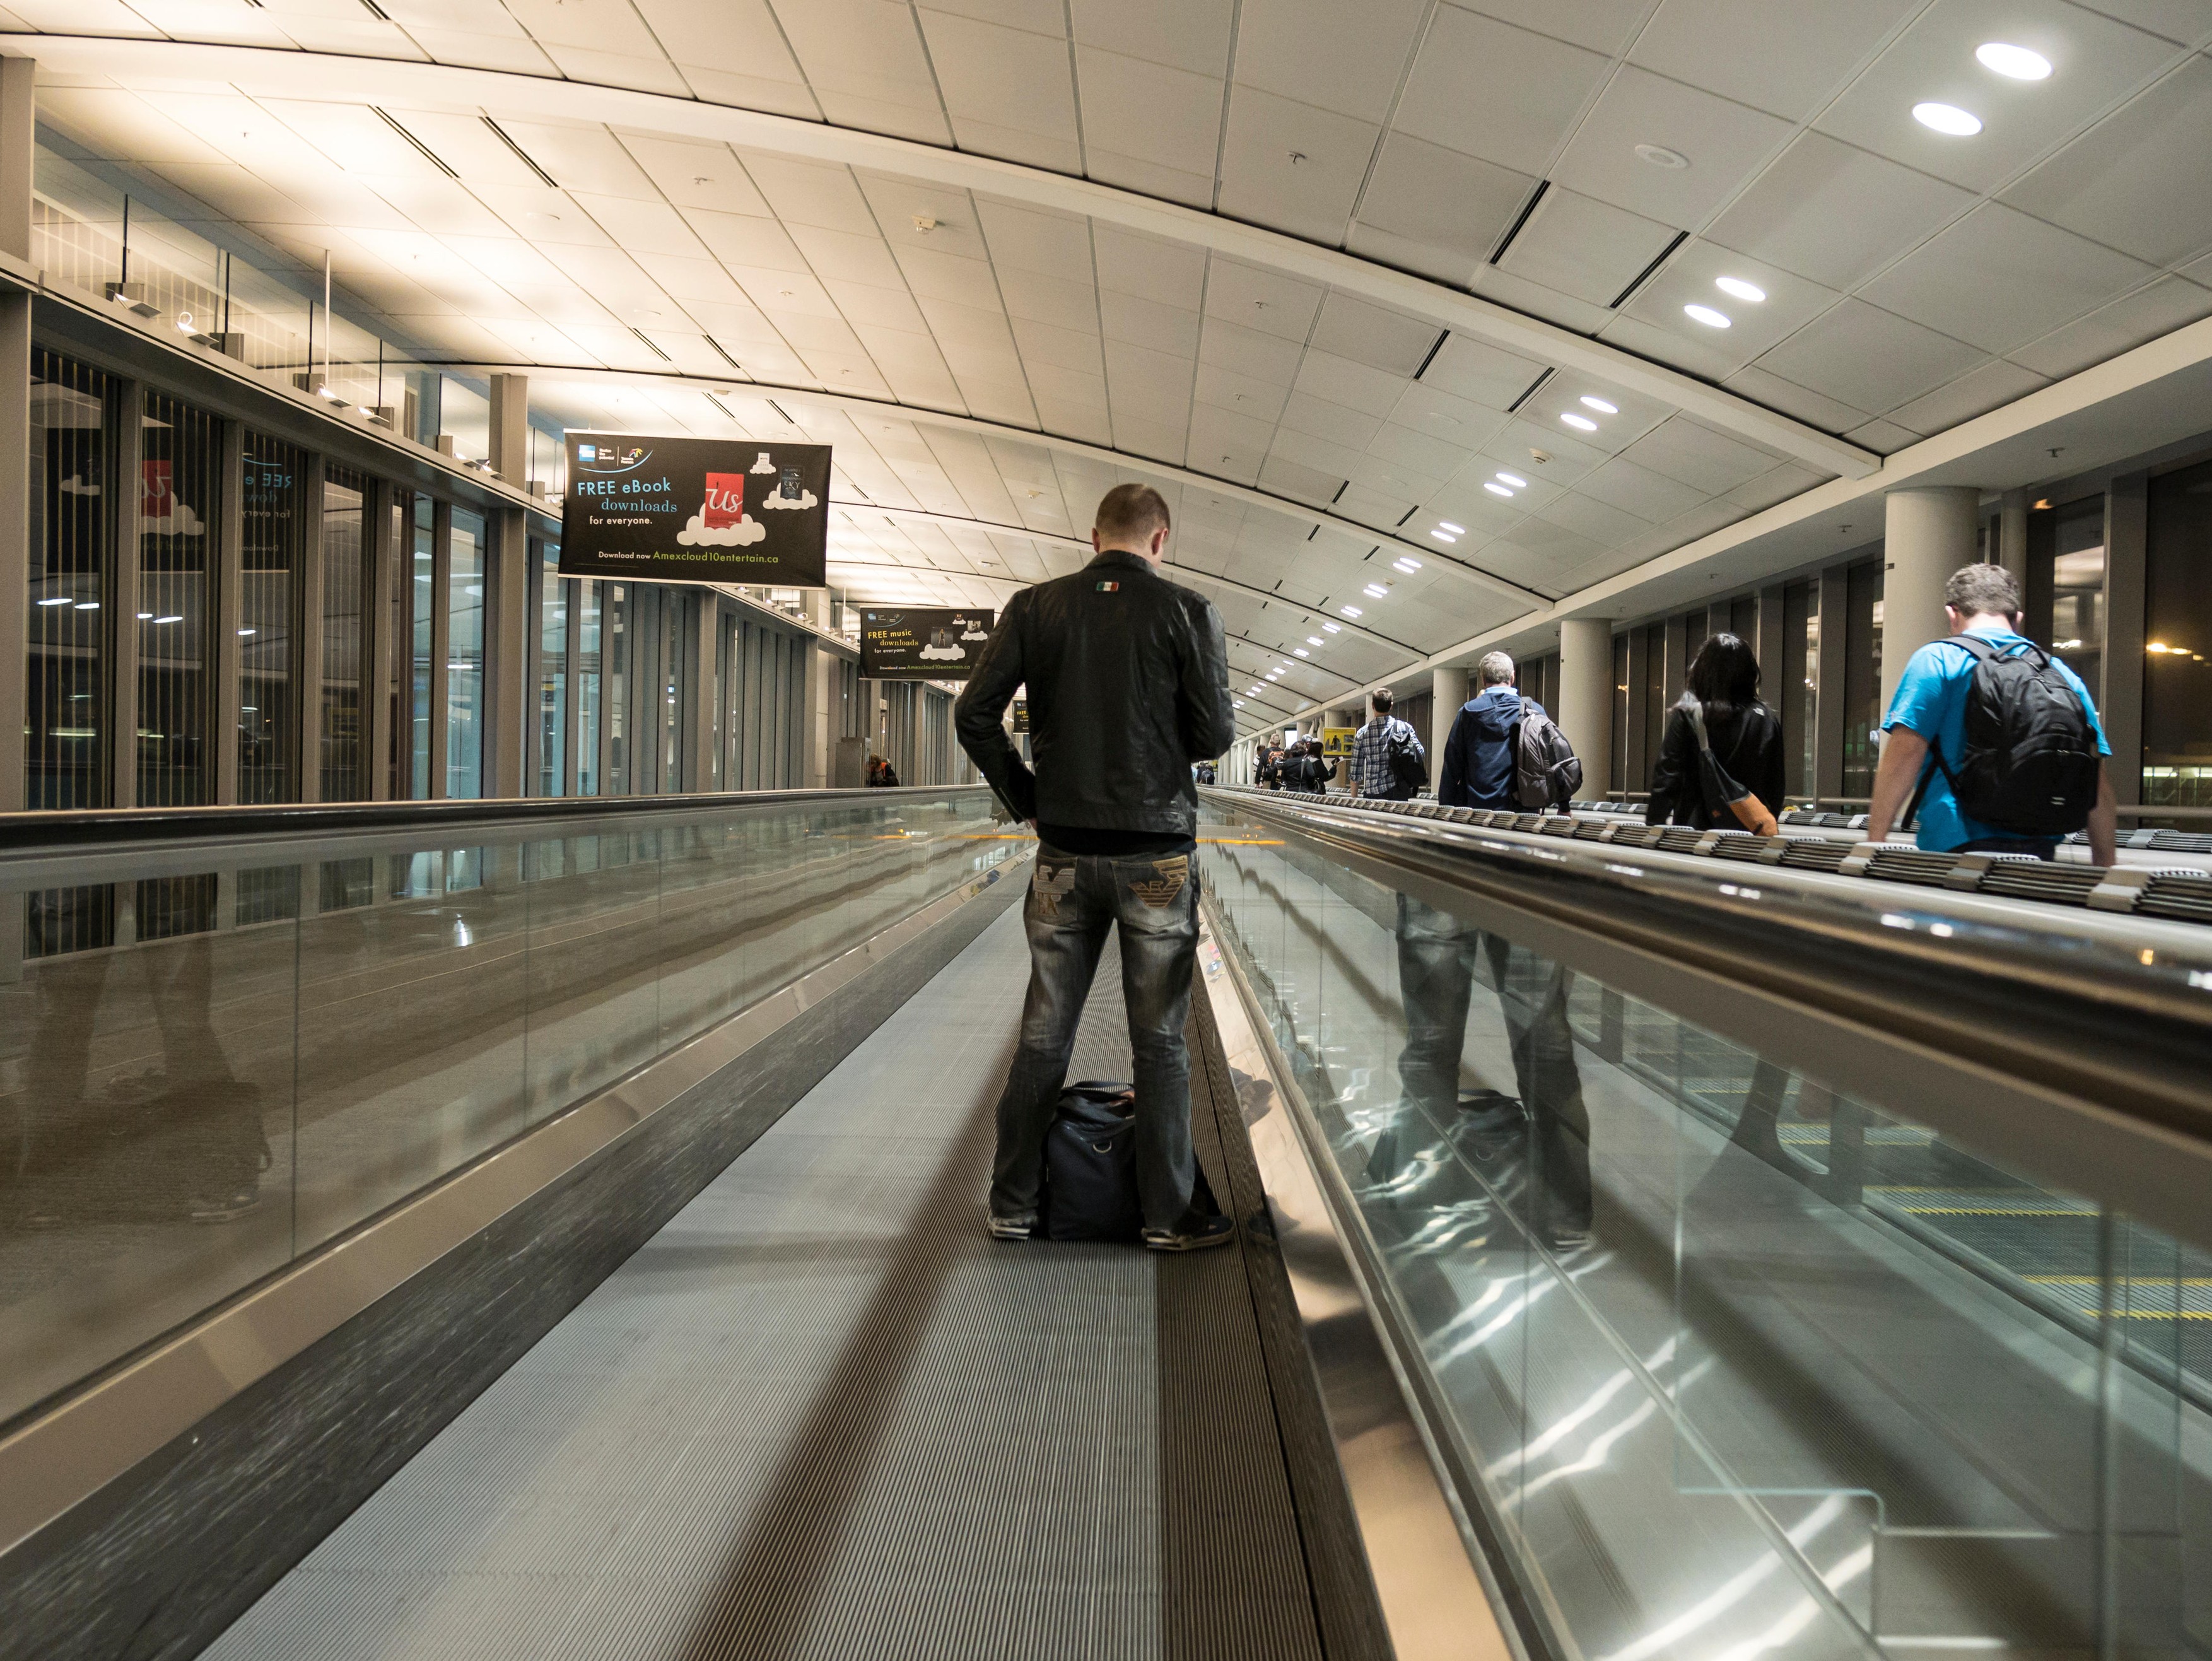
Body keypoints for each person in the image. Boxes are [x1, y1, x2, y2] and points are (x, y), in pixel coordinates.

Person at [955, 482, 1237, 1252]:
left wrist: (1028, 797)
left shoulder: (1035, 607)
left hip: (1065, 853)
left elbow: (972, 713)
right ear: (1161, 539)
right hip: (1157, 856)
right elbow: (1213, 736)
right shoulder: (1189, 610)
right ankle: (1166, 1213)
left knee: (1045, 1034)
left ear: (1093, 536)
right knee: (1161, 1043)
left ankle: (1013, 1202)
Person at [1863, 563, 2118, 865]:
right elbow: (2093, 777)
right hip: (2040, 847)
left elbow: (1905, 755)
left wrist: (1874, 844)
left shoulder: (1939, 660)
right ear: (2017, 618)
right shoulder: (2059, 672)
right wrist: (2105, 861)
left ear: (1952, 613)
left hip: (1957, 844)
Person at [1646, 633, 1787, 829]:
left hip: (1695, 831)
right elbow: (1776, 784)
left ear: (1704, 670)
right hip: (1751, 830)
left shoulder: (1692, 715)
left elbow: (1667, 777)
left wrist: (1654, 825)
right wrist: (1764, 821)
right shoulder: (1766, 718)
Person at [1438, 652, 1544, 810]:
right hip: (1524, 810)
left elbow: (1452, 764)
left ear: (1483, 679)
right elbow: (1550, 758)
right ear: (1513, 677)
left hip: (1476, 809)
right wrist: (1564, 804)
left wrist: (1445, 806)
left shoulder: (1467, 713)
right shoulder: (1534, 711)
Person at [1349, 687, 1424, 801]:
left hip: (1372, 794)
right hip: (1398, 790)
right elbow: (1421, 753)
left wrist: (1353, 799)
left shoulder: (1362, 734)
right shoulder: (1404, 728)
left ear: (1373, 706)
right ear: (1391, 705)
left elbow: (1355, 772)